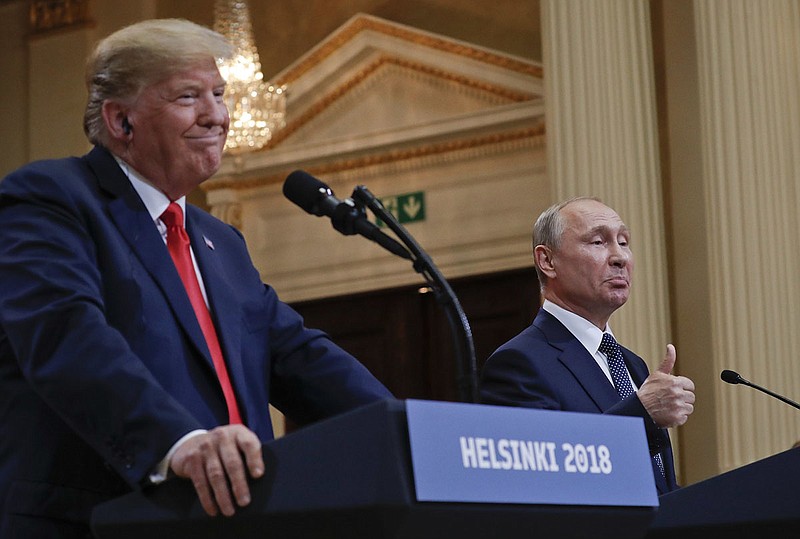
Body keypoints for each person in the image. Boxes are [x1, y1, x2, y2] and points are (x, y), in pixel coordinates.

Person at [0, 18, 393, 537]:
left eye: (219, 94)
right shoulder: (51, 198)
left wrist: (407, 429)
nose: (217, 116)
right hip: (99, 519)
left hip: (232, 518)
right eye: (188, 97)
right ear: (122, 121)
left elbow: (296, 354)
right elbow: (67, 337)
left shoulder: (220, 242)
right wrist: (179, 442)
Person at [479, 196, 695, 494]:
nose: (620, 257)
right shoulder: (518, 363)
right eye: (598, 242)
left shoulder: (632, 363)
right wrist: (641, 414)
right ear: (548, 261)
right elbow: (542, 477)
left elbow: (652, 486)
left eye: (623, 241)